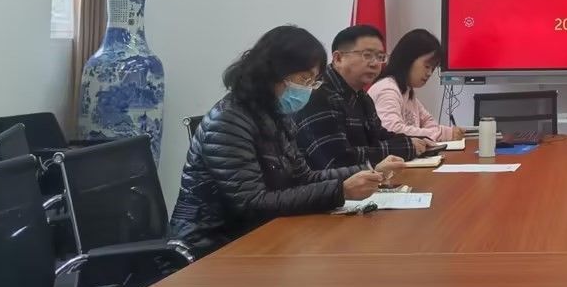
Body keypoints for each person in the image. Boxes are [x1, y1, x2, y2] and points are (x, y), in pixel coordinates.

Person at [171, 25, 407, 256]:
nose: (309, 89)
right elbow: (252, 203)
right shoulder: (227, 121)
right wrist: (340, 191)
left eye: (313, 81)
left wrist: (368, 170)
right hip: (215, 244)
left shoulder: (276, 115)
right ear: (273, 72)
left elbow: (303, 177)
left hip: (262, 233)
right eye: (304, 79)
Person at [295, 24, 420, 170]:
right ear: (338, 58)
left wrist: (414, 142)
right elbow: (338, 160)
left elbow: (378, 137)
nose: (375, 64)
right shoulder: (318, 94)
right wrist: (407, 148)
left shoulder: (362, 96)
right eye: (367, 55)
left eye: (380, 57)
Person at [369, 28, 464, 144]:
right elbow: (392, 131)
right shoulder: (387, 89)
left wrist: (445, 132)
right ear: (408, 59)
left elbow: (428, 121)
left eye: (433, 69)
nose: (429, 73)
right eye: (427, 66)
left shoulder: (406, 90)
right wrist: (443, 134)